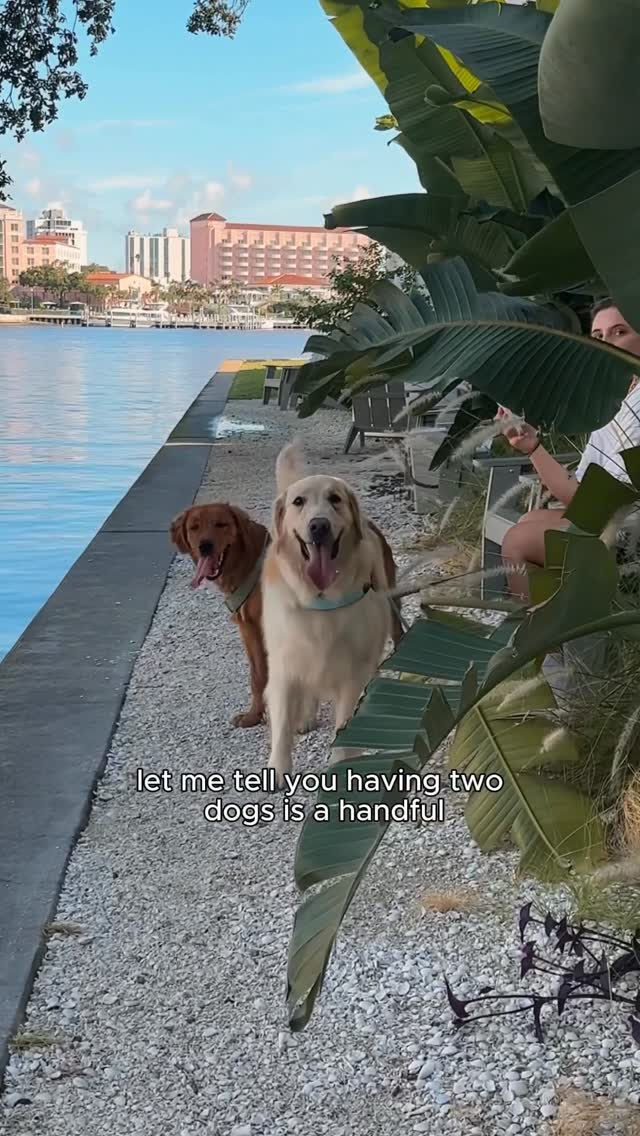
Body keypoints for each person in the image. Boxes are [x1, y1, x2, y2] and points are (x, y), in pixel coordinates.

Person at [500, 299, 640, 599]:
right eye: (599, 336)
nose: (608, 344)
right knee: (528, 521)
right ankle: (563, 626)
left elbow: (594, 507)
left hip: (628, 535)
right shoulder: (617, 397)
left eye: (619, 332)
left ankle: (538, 636)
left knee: (518, 541)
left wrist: (534, 448)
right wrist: (531, 445)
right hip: (612, 518)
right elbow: (582, 489)